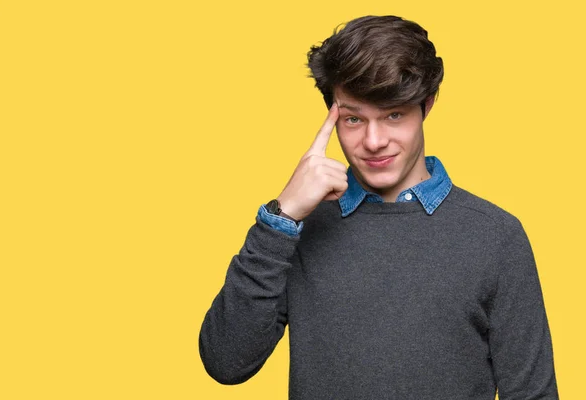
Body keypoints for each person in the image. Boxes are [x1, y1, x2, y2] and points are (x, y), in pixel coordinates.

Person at [198, 15, 559, 399]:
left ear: (427, 106)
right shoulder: (296, 230)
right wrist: (281, 218)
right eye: (354, 118)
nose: (373, 141)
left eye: (393, 115)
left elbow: (532, 393)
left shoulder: (495, 236)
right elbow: (226, 363)